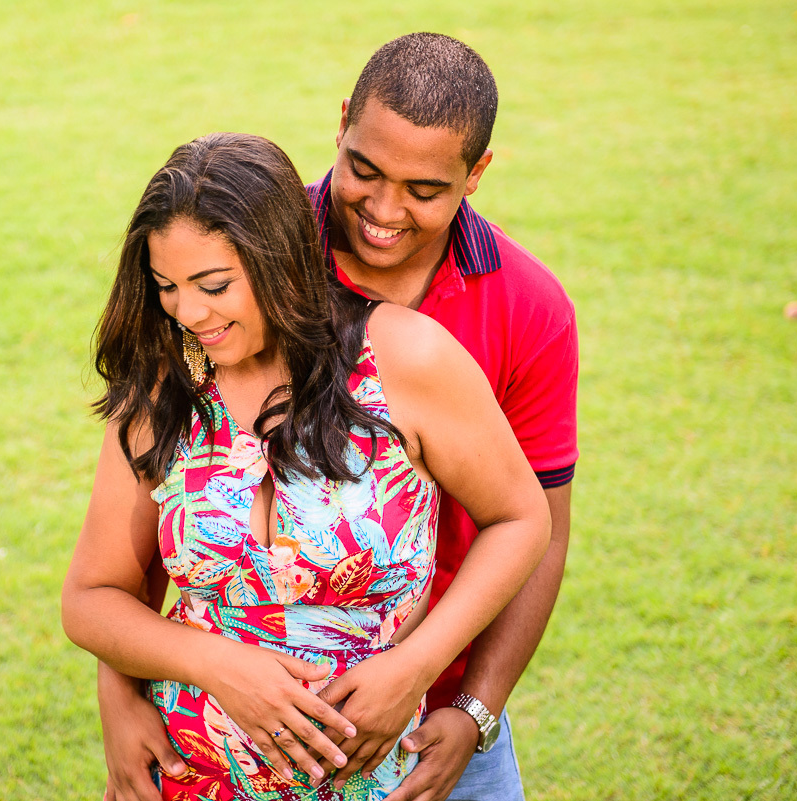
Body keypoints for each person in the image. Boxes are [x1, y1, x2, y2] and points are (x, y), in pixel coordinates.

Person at [96, 34, 578, 801]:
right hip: (210, 740)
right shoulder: (246, 243)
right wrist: (119, 688)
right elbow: (171, 508)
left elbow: (535, 522)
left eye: (423, 189)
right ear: (343, 122)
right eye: (365, 170)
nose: (383, 210)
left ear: (477, 173)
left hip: (430, 709)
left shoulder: (527, 309)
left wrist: (473, 708)